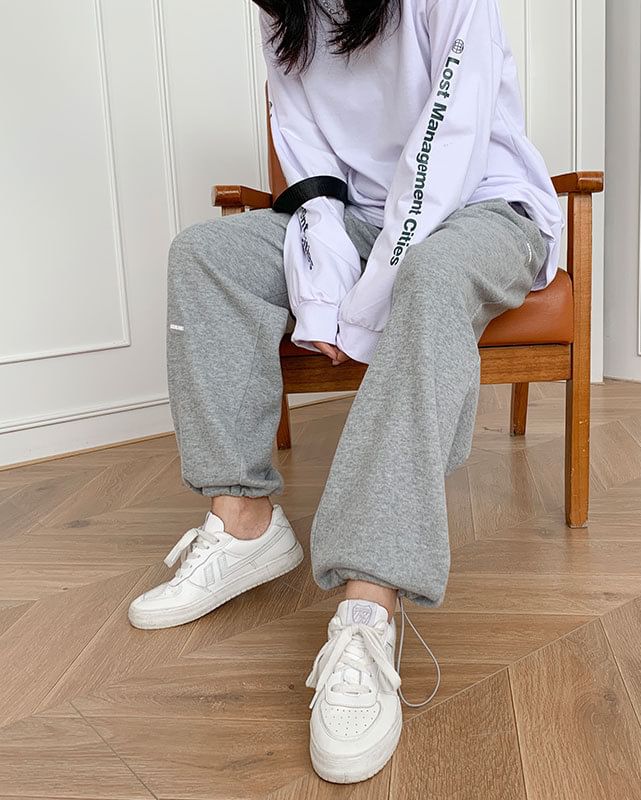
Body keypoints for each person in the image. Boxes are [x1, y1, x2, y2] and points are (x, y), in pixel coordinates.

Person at [127, 0, 563, 784]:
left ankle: (368, 605)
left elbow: (448, 148)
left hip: (482, 207)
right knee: (204, 255)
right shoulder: (283, 14)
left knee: (429, 278)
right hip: (365, 219)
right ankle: (245, 524)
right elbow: (313, 177)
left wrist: (364, 304)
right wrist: (325, 286)